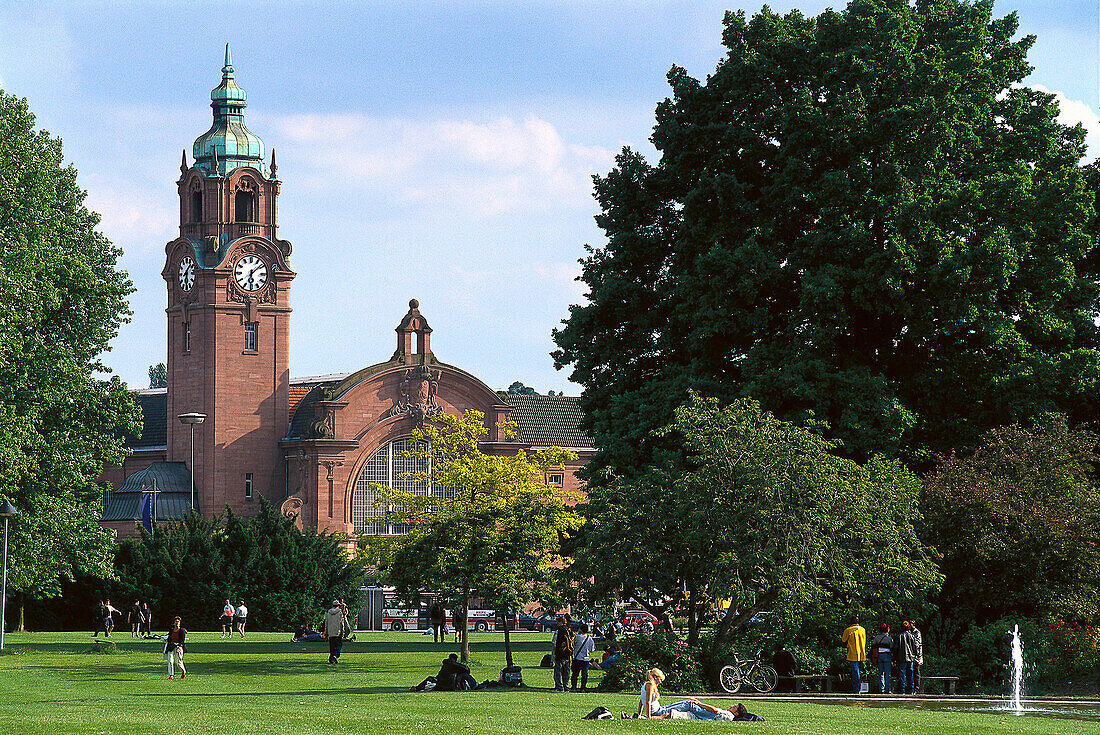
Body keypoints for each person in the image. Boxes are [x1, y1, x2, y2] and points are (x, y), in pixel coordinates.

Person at [896, 620, 922, 694]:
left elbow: (896, 648)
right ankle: (911, 690)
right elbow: (915, 647)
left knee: (902, 675)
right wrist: (915, 656)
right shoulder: (911, 636)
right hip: (910, 658)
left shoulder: (899, 636)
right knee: (910, 675)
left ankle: (902, 690)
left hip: (901, 658)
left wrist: (895, 658)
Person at [842, 615, 867, 694]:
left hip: (852, 654)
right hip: (861, 654)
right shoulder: (863, 630)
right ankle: (859, 688)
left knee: (855, 672)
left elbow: (843, 640)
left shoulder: (848, 630)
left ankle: (857, 689)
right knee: (859, 671)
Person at [550, 615, 575, 692]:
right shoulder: (569, 630)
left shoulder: (560, 630)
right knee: (566, 671)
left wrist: (556, 654)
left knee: (558, 671)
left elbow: (558, 643)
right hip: (568, 654)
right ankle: (566, 686)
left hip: (560, 654)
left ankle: (559, 687)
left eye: (558, 622)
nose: (557, 623)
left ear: (561, 622)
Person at [571, 622, 597, 691]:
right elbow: (592, 649)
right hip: (586, 659)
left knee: (575, 674)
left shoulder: (577, 637)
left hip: (577, 657)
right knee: (584, 674)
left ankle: (574, 687)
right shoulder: (589, 638)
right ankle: (583, 687)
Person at [325, 599, 350, 664]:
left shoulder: (328, 612)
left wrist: (326, 633)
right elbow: (341, 623)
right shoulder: (340, 612)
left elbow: (326, 623)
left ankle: (332, 659)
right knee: (338, 645)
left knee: (332, 647)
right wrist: (342, 631)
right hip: (337, 632)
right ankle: (335, 656)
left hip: (330, 632)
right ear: (338, 606)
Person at [870, 623, 893, 694]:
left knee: (880, 673)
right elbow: (892, 648)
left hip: (879, 656)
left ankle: (881, 689)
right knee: (887, 673)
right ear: (887, 630)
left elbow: (873, 646)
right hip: (887, 655)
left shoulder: (877, 637)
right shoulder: (889, 639)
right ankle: (888, 689)